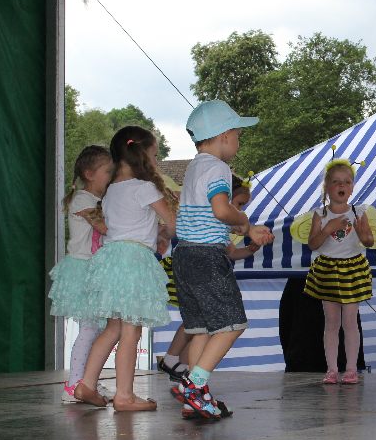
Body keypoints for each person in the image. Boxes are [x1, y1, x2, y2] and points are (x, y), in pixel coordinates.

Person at [172, 100, 274, 420]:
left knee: (202, 329)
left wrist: (239, 229)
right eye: (238, 136)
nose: (238, 143)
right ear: (225, 136)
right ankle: (194, 385)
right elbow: (220, 209)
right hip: (206, 257)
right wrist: (244, 222)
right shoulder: (218, 169)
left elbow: (203, 214)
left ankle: (194, 399)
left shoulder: (193, 168)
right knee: (232, 324)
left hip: (184, 255)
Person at [74, 126, 177, 411]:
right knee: (131, 330)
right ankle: (125, 396)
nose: (155, 162)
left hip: (111, 259)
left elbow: (124, 226)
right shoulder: (145, 188)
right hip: (133, 261)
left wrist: (153, 231)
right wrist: (164, 232)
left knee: (113, 328)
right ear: (141, 155)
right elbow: (172, 223)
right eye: (154, 155)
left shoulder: (110, 191)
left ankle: (87, 384)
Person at [157, 175, 261, 383]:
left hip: (190, 265)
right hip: (200, 267)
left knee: (199, 326)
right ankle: (175, 363)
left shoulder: (216, 225)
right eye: (239, 204)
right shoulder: (210, 218)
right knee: (205, 323)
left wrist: (250, 249)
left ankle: (188, 373)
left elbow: (232, 252)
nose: (240, 210)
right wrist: (243, 224)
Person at [49, 145, 114, 403]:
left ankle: (87, 382)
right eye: (107, 171)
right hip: (84, 269)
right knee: (89, 328)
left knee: (95, 329)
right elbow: (106, 228)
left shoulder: (94, 200)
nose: (111, 176)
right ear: (89, 174)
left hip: (93, 268)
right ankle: (75, 383)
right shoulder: (84, 200)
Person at [304, 157, 375, 385]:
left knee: (350, 321)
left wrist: (363, 235)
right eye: (336, 181)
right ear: (327, 187)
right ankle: (332, 369)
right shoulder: (320, 214)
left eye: (346, 181)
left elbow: (369, 240)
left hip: (352, 269)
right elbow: (313, 244)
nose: (341, 185)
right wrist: (328, 229)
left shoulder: (359, 212)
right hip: (327, 270)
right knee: (331, 322)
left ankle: (351, 369)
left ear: (352, 187)